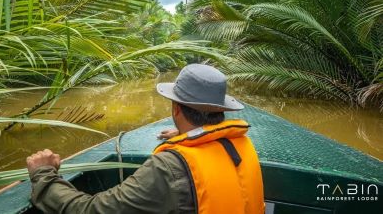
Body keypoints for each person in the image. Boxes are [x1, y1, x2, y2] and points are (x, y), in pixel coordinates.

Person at [27, 64, 264, 213]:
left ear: (176, 109)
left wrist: (44, 174)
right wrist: (186, 137)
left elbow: (91, 210)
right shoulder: (241, 143)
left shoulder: (168, 168)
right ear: (220, 111)